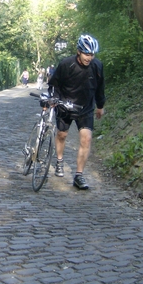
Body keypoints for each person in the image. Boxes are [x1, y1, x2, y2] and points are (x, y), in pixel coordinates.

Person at [47, 34, 105, 190]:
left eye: (92, 54)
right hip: (65, 105)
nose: (89, 58)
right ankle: (59, 161)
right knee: (62, 134)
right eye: (87, 54)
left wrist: (100, 105)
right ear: (79, 51)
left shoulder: (97, 66)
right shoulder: (66, 64)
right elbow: (54, 84)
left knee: (86, 139)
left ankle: (79, 176)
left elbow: (100, 88)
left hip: (85, 108)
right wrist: (55, 99)